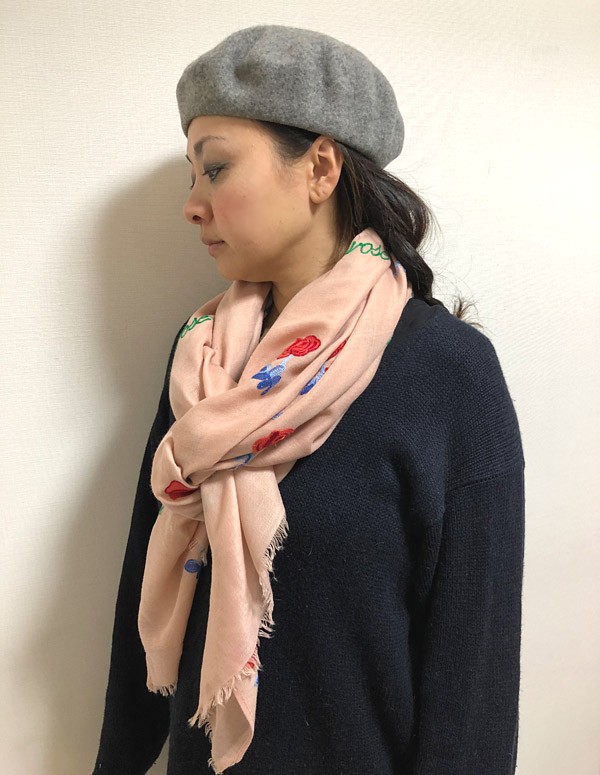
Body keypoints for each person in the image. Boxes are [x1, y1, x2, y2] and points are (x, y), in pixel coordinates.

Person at [91, 24, 525, 775]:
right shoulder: (203, 361)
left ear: (320, 168)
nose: (192, 205)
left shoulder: (448, 373)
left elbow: (473, 677)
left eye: (215, 168)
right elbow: (143, 580)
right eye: (192, 177)